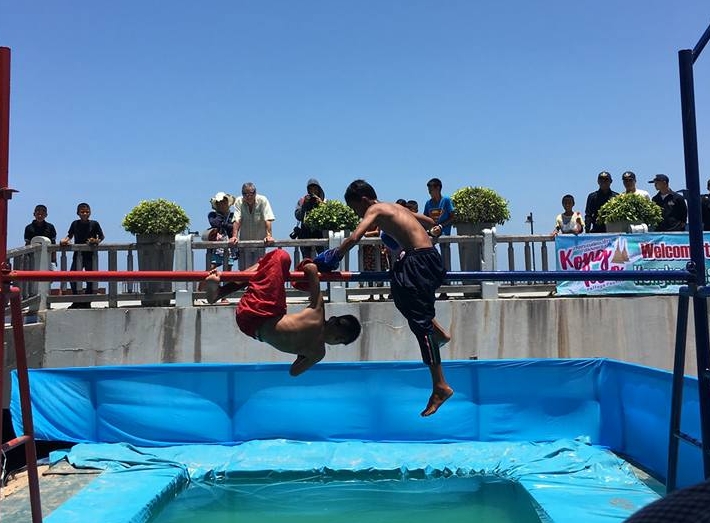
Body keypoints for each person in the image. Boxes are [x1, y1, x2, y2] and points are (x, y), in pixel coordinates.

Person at [314, 179, 452, 417]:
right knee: (400, 295)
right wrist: (427, 232)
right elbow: (430, 221)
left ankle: (440, 385)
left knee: (420, 324)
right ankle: (437, 332)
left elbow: (355, 237)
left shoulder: (375, 210)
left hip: (417, 261)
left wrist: (335, 255)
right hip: (429, 258)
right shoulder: (395, 207)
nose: (359, 214)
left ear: (364, 200)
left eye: (356, 209)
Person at [204, 249, 361, 376]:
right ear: (339, 340)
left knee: (281, 256)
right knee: (268, 266)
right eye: (340, 340)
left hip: (260, 311)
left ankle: (218, 293)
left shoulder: (317, 312)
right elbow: (294, 372)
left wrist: (307, 266)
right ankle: (218, 293)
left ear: (333, 319)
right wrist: (303, 354)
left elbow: (311, 270)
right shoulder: (318, 353)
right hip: (251, 328)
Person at [60, 202, 104, 308]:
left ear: (90, 213)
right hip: (77, 254)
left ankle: (87, 301)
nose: (85, 214)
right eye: (82, 212)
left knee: (90, 278)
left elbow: (101, 237)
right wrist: (63, 241)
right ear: (78, 213)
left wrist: (96, 241)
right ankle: (76, 300)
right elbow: (69, 235)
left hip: (90, 255)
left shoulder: (94, 223)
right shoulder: (75, 223)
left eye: (87, 212)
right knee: (72, 276)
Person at [423, 178, 455, 300]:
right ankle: (432, 288)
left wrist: (441, 226)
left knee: (445, 263)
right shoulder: (428, 203)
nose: (429, 192)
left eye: (431, 189)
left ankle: (445, 290)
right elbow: (425, 218)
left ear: (437, 188)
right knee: (431, 262)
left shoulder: (446, 200)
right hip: (432, 236)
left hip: (444, 235)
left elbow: (453, 217)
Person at [232, 182, 276, 270]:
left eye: (251, 194)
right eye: (245, 194)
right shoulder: (238, 201)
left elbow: (268, 218)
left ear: (255, 193)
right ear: (242, 194)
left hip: (260, 244)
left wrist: (269, 236)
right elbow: (237, 219)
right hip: (244, 245)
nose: (248, 196)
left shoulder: (263, 200)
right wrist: (234, 237)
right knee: (244, 274)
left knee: (259, 271)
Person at [294, 178, 326, 259]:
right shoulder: (302, 200)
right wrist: (305, 205)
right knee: (307, 259)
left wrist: (321, 204)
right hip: (305, 233)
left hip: (320, 233)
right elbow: (298, 216)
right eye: (310, 189)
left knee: (324, 257)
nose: (313, 191)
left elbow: (328, 216)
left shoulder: (324, 201)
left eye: (315, 189)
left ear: (319, 189)